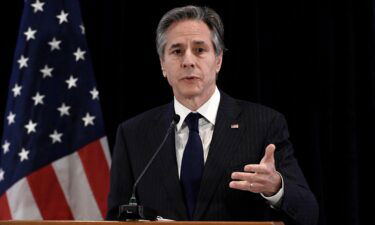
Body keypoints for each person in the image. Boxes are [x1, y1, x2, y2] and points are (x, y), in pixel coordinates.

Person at [107, 5, 319, 225]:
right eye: (177, 51)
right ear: (163, 64)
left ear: (218, 60)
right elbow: (115, 216)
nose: (188, 61)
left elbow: (309, 213)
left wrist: (276, 188)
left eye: (199, 50)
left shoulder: (264, 124)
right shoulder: (133, 133)